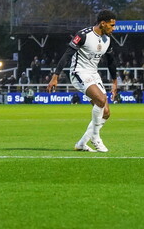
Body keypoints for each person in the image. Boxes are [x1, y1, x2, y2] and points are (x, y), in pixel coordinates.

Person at [46, 9, 119, 152]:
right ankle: (96, 138)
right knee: (100, 99)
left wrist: (115, 82)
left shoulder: (108, 39)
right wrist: (55, 76)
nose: (113, 28)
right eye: (111, 25)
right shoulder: (83, 35)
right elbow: (67, 54)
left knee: (106, 113)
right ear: (103, 23)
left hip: (93, 74)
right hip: (78, 72)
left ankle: (81, 143)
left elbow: (111, 62)